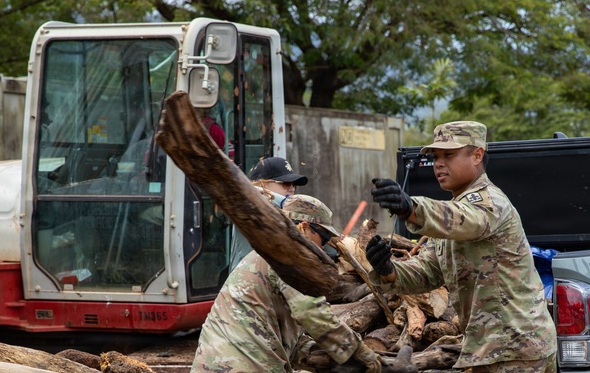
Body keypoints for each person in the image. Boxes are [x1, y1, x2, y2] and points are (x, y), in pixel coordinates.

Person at [366, 121, 557, 373]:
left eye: (449, 155)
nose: (438, 164)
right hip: (493, 350)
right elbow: (429, 271)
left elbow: (469, 219)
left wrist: (411, 208)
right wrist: (388, 269)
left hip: (516, 349)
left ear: (477, 155)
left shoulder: (489, 201)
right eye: (435, 157)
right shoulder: (455, 211)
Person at [191, 194, 383, 373]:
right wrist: (363, 354)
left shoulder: (269, 253)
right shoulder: (289, 257)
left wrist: (322, 356)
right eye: (323, 238)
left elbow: (286, 336)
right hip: (240, 365)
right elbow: (313, 314)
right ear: (305, 228)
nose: (323, 246)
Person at [228, 157, 308, 271]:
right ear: (262, 184)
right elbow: (246, 195)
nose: (292, 189)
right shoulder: (249, 203)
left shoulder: (285, 210)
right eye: (286, 183)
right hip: (246, 284)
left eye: (294, 184)